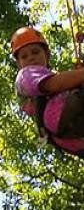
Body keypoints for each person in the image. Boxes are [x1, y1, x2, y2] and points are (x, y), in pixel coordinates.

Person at [11, 26, 84, 157]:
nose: (31, 58)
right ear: (19, 64)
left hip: (67, 137)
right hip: (59, 117)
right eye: (24, 56)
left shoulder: (49, 76)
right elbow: (54, 84)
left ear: (47, 55)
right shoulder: (25, 75)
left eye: (35, 52)